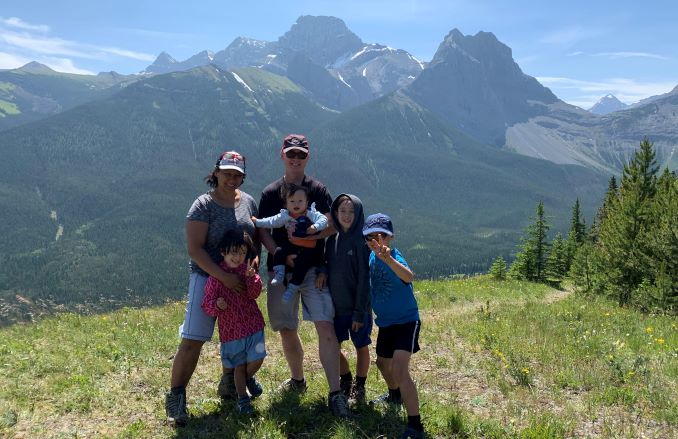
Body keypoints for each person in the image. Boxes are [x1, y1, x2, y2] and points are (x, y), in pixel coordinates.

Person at [257, 134, 351, 418]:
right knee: (287, 328)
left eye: (300, 155)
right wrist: (278, 254)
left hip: (314, 269)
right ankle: (298, 380)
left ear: (307, 158)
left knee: (325, 326)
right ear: (282, 155)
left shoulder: (318, 190)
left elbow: (333, 223)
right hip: (281, 270)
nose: (295, 159)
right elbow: (263, 229)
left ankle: (335, 393)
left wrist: (312, 234)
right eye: (291, 154)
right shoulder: (271, 193)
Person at [165, 150, 259, 427]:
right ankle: (176, 396)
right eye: (227, 173)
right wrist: (222, 276)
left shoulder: (249, 203)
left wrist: (253, 262)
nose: (231, 179)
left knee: (238, 333)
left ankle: (230, 384)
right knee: (194, 337)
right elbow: (195, 249)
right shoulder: (203, 205)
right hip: (206, 278)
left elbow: (254, 241)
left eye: (237, 174)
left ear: (243, 176)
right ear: (216, 172)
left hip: (238, 280)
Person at [362, 213, 426, 439]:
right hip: (386, 323)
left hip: (407, 321)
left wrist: (388, 259)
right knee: (381, 363)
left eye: (380, 236)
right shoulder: (370, 258)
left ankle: (415, 425)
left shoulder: (394, 256)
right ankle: (394, 395)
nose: (375, 242)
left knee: (399, 369)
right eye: (370, 237)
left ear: (390, 238)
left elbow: (408, 277)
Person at [201, 230, 265, 414]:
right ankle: (243, 398)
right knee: (239, 365)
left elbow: (254, 294)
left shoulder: (247, 272)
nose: (238, 257)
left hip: (253, 324)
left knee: (258, 358)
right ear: (223, 252)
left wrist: (252, 277)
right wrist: (217, 305)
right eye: (234, 252)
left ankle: (247, 380)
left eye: (242, 252)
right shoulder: (216, 277)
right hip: (232, 331)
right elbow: (206, 304)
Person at [316, 194, 372, 404]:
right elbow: (326, 262)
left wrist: (360, 311)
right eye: (342, 212)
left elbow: (364, 280)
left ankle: (361, 384)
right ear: (335, 214)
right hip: (337, 308)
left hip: (358, 309)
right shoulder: (333, 240)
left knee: (361, 346)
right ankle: (346, 377)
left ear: (358, 215)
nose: (347, 216)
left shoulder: (361, 242)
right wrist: (322, 272)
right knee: (334, 345)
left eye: (351, 212)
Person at [252, 183, 328, 303]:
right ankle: (280, 273)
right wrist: (258, 222)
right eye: (292, 201)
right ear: (286, 204)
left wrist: (315, 227)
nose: (296, 204)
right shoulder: (285, 216)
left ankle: (292, 288)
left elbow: (324, 220)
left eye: (300, 201)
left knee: (302, 267)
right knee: (278, 251)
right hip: (291, 246)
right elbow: (271, 221)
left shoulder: (310, 213)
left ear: (307, 202)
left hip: (308, 249)